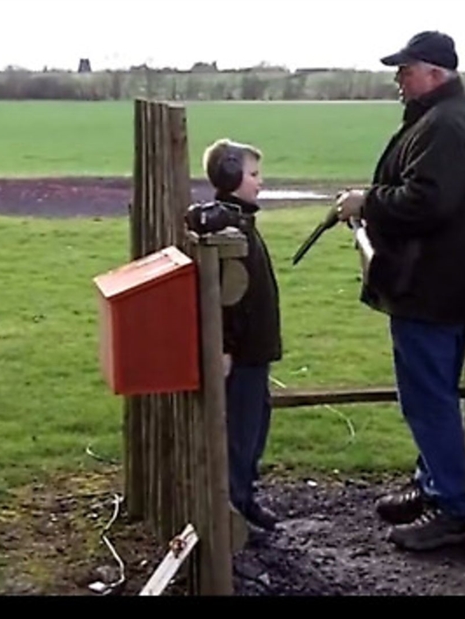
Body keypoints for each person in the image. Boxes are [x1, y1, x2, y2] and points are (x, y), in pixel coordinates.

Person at [335, 31, 465, 551]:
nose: (399, 79)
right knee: (433, 394)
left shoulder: (447, 125)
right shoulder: (445, 118)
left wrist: (367, 201)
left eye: (405, 70)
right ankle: (434, 485)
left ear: (435, 73)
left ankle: (454, 511)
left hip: (433, 287)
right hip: (441, 285)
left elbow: (428, 202)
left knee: (428, 399)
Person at [202, 137, 283, 532]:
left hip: (255, 351)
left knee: (255, 426)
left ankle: (245, 498)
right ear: (231, 176)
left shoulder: (241, 222)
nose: (259, 182)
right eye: (253, 174)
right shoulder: (230, 226)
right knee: (239, 433)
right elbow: (225, 298)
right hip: (244, 353)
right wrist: (226, 347)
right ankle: (232, 511)